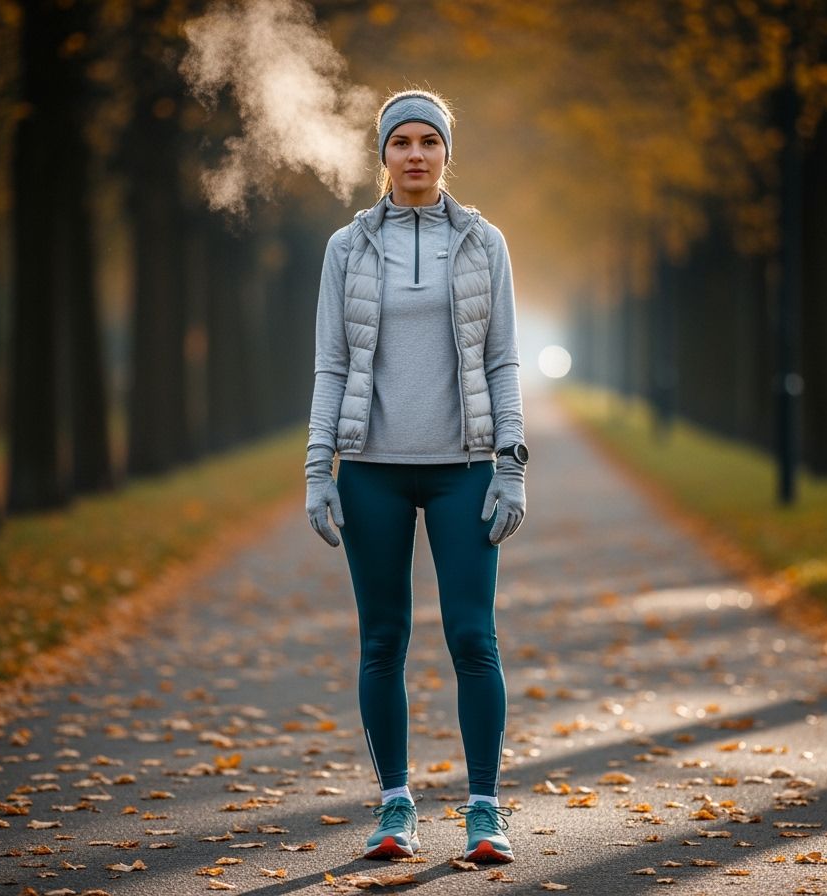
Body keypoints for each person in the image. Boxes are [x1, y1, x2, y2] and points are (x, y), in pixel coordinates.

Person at [304, 88, 528, 864]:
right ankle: (395, 806)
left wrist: (512, 466)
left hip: (464, 469)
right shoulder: (347, 248)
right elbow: (332, 363)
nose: (415, 154)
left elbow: (503, 360)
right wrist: (318, 470)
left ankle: (485, 812)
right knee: (383, 641)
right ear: (383, 155)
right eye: (400, 141)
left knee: (473, 636)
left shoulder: (484, 242)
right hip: (372, 472)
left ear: (446, 153)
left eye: (428, 141)